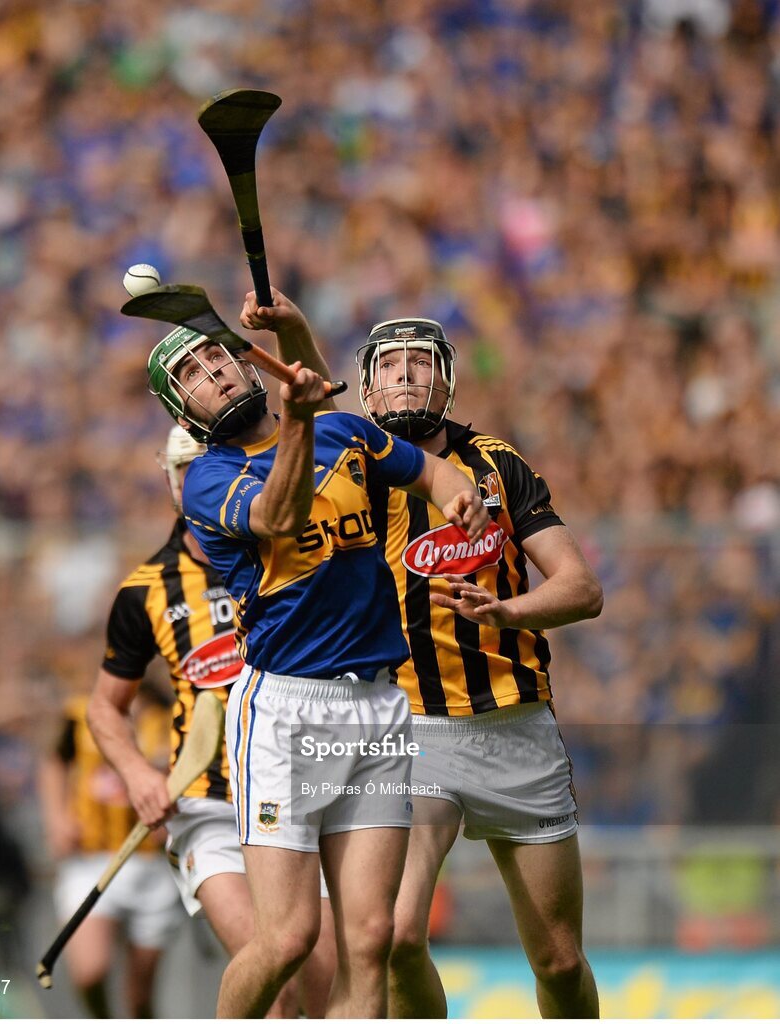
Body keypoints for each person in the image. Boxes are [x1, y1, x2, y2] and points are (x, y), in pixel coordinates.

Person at [240, 293, 603, 1018]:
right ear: (367, 384)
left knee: (559, 961)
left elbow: (582, 588)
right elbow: (320, 406)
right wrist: (298, 331)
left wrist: (510, 610)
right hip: (409, 731)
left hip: (513, 726)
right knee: (398, 934)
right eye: (391, 364)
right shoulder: (360, 462)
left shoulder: (496, 464)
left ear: (448, 379)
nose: (406, 377)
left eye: (420, 362)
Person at [144, 310, 490, 1018]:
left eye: (217, 358)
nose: (212, 375)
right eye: (191, 377)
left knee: (370, 938)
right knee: (289, 940)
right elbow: (277, 515)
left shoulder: (345, 431)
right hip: (284, 714)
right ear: (183, 409)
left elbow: (423, 468)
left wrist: (454, 493)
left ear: (249, 362)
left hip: (376, 709)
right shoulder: (211, 479)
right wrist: (301, 418)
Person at [86, 425, 334, 1018]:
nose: (199, 482)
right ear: (171, 483)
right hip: (210, 804)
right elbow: (104, 707)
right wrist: (139, 777)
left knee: (323, 986)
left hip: (303, 791)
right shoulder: (145, 590)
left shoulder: (295, 554)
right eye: (185, 471)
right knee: (274, 974)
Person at [39, 680, 184, 1018]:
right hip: (92, 860)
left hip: (152, 866)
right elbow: (53, 761)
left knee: (140, 996)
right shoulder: (79, 712)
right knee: (90, 970)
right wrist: (57, 818)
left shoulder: (171, 712)